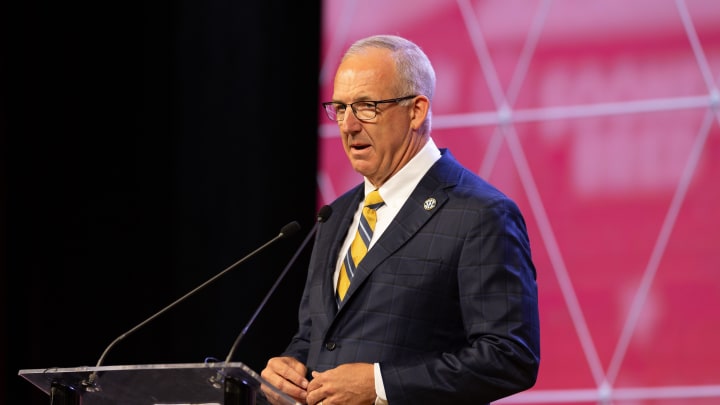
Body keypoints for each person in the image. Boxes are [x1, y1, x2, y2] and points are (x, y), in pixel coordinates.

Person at [261, 34, 540, 405]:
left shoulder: (481, 214)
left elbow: (509, 357)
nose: (348, 125)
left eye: (366, 106)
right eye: (340, 108)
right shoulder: (336, 215)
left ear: (416, 110)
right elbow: (317, 336)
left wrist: (380, 386)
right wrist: (289, 368)